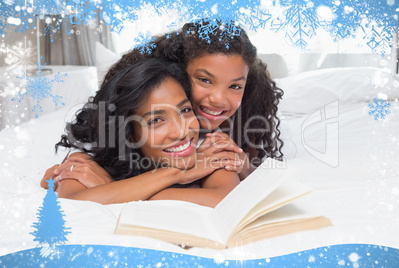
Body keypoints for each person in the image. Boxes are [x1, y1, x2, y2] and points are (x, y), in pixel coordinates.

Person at [41, 18, 283, 189]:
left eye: (234, 86)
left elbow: (228, 189)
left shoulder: (237, 124)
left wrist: (245, 168)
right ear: (177, 72)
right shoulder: (137, 112)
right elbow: (87, 170)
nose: (218, 99)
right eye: (204, 80)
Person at [54, 58, 240, 208]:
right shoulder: (88, 164)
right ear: (130, 134)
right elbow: (70, 204)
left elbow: (226, 201)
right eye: (156, 120)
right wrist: (175, 173)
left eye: (184, 111)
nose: (181, 131)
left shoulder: (209, 152)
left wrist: (111, 190)